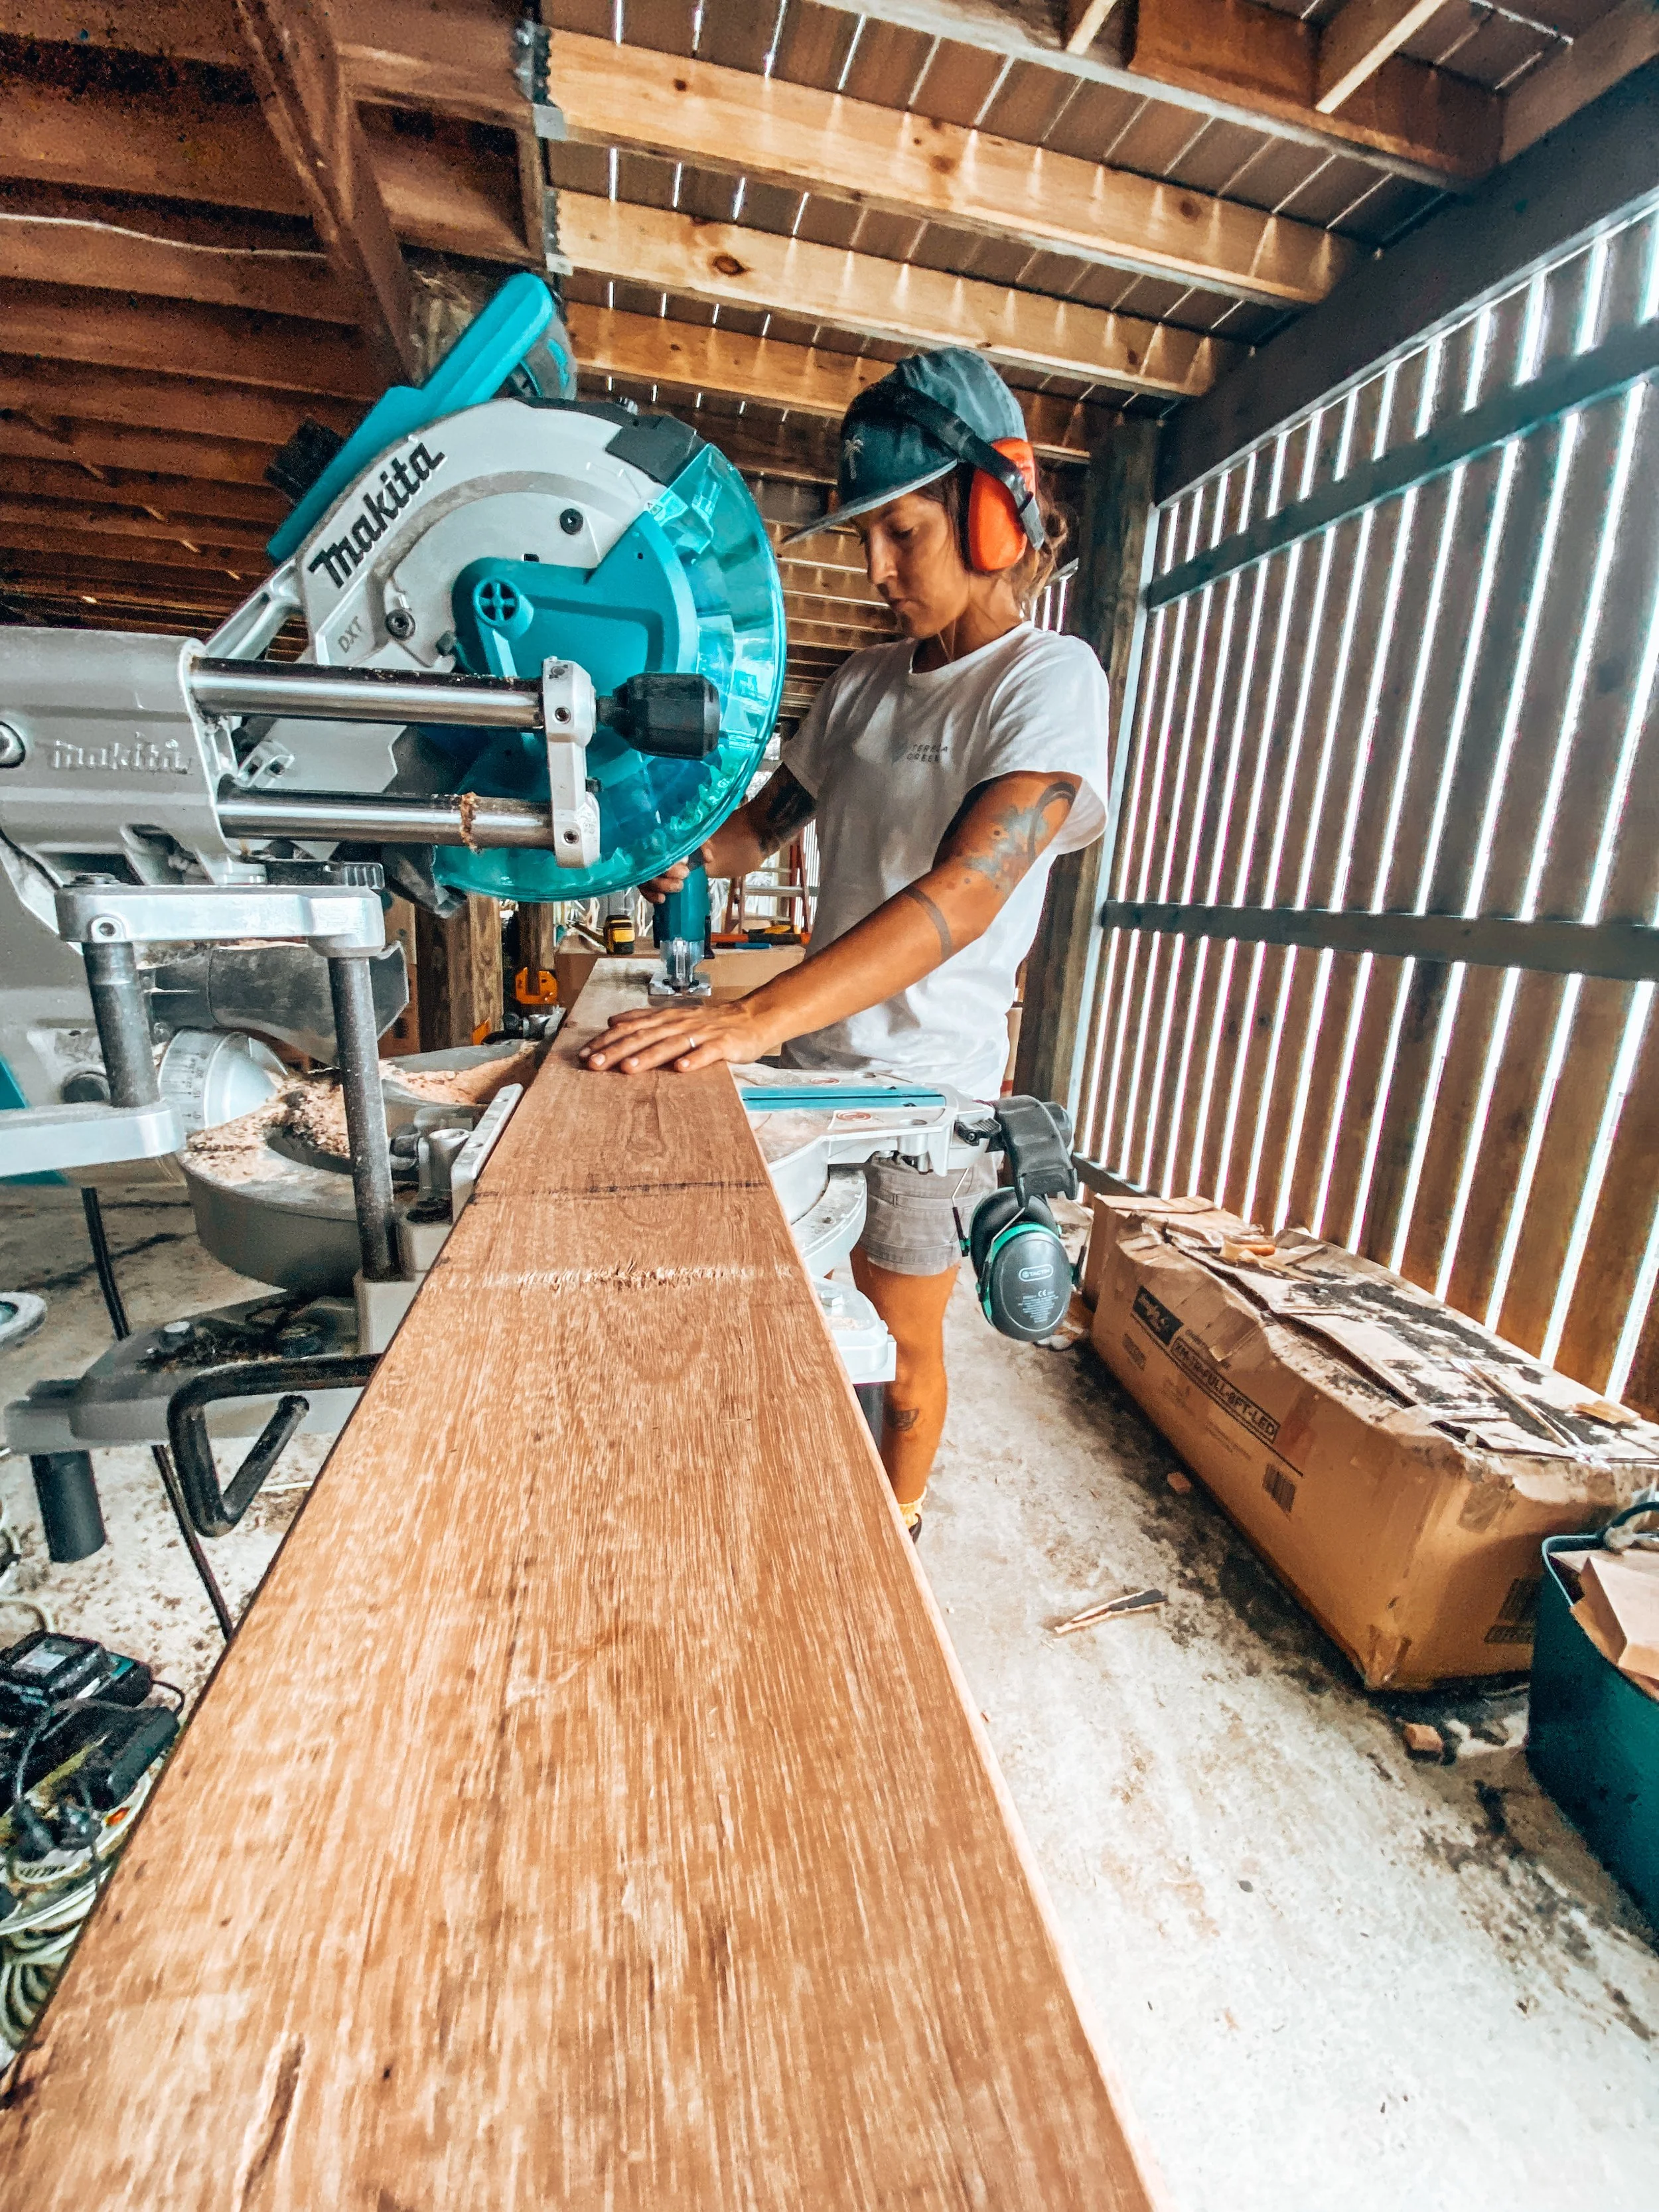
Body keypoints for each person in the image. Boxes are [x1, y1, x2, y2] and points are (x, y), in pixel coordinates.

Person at [581, 348, 1110, 1536]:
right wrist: (659, 845)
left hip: (927, 1095)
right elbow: (754, 836)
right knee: (779, 1316)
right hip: (809, 1076)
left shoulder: (1047, 682)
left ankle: (897, 1525)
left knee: (896, 1345)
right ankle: (794, 1493)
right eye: (866, 538)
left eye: (903, 535)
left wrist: (753, 1013)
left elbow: (969, 890)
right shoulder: (861, 686)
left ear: (992, 510)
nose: (875, 571)